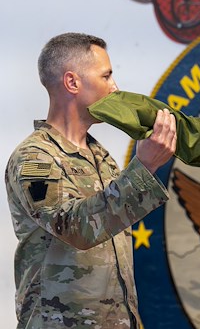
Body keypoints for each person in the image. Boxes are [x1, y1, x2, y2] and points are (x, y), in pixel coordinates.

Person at [5, 33, 177, 328]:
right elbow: (73, 227)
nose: (115, 87)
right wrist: (144, 166)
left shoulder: (101, 157)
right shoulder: (34, 159)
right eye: (106, 76)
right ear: (72, 82)